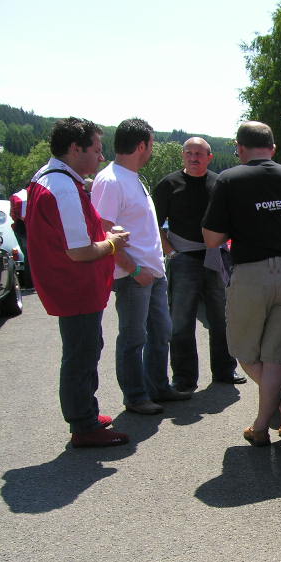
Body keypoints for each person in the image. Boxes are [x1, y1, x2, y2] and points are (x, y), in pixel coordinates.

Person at [202, 121, 281, 447]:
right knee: (276, 354)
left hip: (252, 273)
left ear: (240, 148)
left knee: (243, 349)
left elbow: (212, 238)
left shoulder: (229, 180)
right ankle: (276, 411)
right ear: (273, 148)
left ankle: (266, 421)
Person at [25, 117, 136, 447]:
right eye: (97, 150)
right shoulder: (62, 187)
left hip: (69, 286)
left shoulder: (51, 179)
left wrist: (104, 237)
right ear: (76, 149)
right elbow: (80, 251)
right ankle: (83, 425)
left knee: (84, 350)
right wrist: (113, 243)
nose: (101, 158)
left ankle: (84, 412)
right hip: (74, 287)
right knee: (81, 354)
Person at [92, 118, 190, 416]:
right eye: (151, 144)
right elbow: (104, 235)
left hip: (152, 273)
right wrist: (135, 271)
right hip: (134, 276)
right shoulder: (110, 181)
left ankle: (158, 387)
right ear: (141, 145)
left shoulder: (132, 176)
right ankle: (135, 397)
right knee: (134, 338)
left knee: (161, 332)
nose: (151, 151)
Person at [153, 137, 245, 392]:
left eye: (199, 154)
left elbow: (232, 220)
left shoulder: (220, 183)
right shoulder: (169, 184)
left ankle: (225, 370)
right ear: (183, 156)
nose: (194, 158)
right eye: (189, 153)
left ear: (209, 157)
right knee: (181, 321)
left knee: (221, 318)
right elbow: (155, 225)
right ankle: (184, 378)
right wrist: (171, 253)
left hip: (215, 257)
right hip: (183, 259)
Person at [8, 186, 30, 287]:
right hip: (26, 229)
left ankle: (29, 282)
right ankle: (30, 282)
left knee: (28, 256)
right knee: (30, 256)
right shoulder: (26, 196)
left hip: (19, 229)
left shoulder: (16, 197)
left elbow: (12, 214)